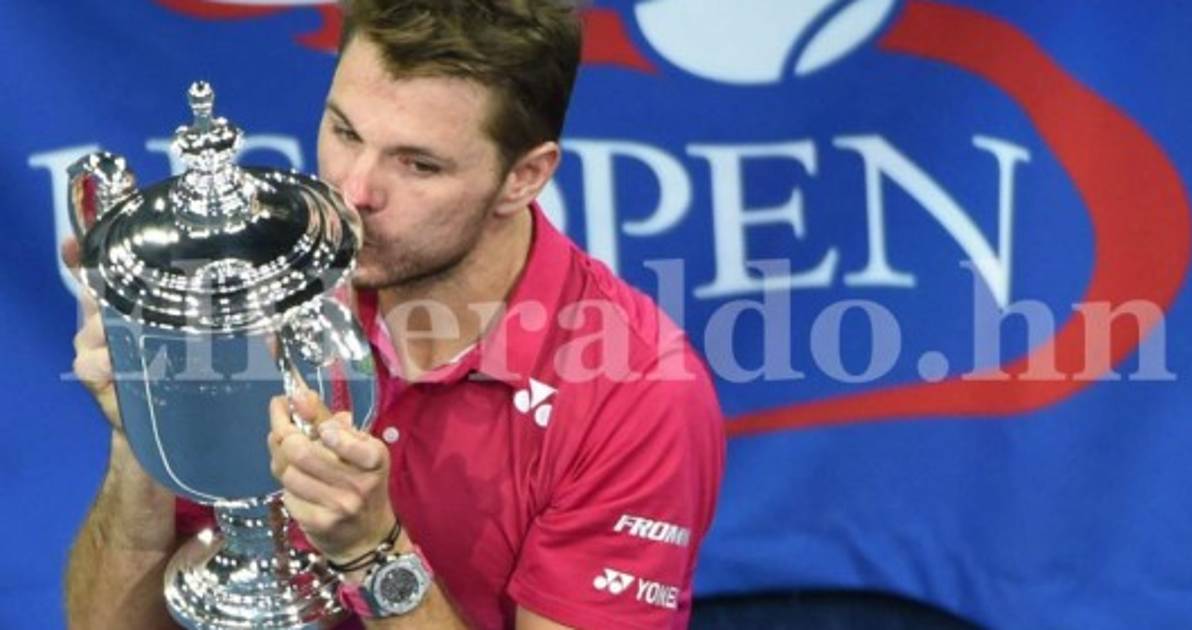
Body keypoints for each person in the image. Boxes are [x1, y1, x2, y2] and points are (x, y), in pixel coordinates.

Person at [63, 0, 725, 628]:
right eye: (344, 131)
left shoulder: (638, 396)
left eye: (418, 164)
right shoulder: (261, 285)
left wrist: (373, 552)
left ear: (524, 177)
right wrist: (143, 438)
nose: (354, 191)